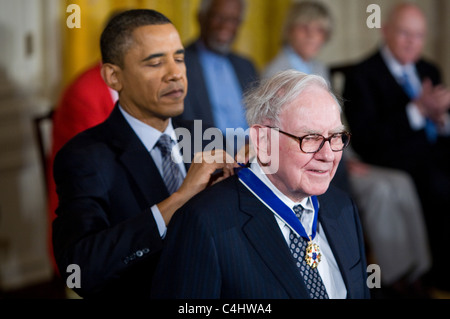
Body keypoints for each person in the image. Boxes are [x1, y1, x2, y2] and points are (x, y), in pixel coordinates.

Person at [52, 9, 237, 299]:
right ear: (114, 76)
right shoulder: (85, 157)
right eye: (155, 63)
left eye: (179, 58)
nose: (175, 73)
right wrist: (179, 200)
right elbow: (80, 268)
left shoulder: (202, 133)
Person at [151, 70, 370, 299]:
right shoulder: (204, 223)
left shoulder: (343, 207)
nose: (328, 155)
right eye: (311, 138)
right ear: (264, 142)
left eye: (336, 137)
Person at [263, 1, 431, 296]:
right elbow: (286, 138)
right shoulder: (276, 73)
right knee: (380, 190)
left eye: (321, 31)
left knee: (401, 182)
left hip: (338, 154)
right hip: (313, 164)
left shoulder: (318, 67)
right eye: (306, 29)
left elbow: (335, 123)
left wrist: (348, 154)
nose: (314, 37)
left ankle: (418, 269)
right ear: (290, 30)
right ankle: (393, 280)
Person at [343, 2, 450, 292]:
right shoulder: (361, 76)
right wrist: (415, 111)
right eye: (405, 33)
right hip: (392, 160)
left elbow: (441, 132)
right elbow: (368, 141)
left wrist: (441, 118)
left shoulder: (429, 69)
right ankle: (432, 276)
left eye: (418, 35)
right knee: (439, 186)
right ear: (386, 30)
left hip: (435, 155)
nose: (411, 42)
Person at [177, 0, 259, 153]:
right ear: (201, 17)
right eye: (219, 18)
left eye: (233, 20)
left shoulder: (246, 66)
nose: (225, 26)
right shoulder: (180, 63)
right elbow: (184, 128)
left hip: (251, 160)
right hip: (206, 158)